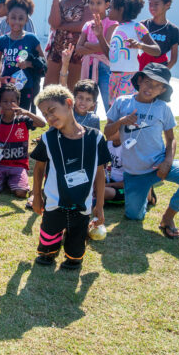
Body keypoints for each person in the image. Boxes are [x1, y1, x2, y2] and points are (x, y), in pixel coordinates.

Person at [105, 63, 179, 239]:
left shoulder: (163, 108)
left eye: (158, 85)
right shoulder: (122, 102)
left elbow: (171, 139)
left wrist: (167, 162)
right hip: (134, 172)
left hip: (158, 164)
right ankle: (147, 190)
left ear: (163, 89)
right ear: (140, 80)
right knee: (134, 216)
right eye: (148, 82)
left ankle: (168, 219)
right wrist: (121, 122)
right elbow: (107, 133)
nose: (151, 88)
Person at [31, 85, 109, 270]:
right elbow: (38, 169)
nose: (49, 118)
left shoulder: (96, 138)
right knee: (48, 235)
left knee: (76, 241)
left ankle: (73, 256)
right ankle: (49, 251)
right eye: (45, 114)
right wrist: (36, 196)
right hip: (54, 201)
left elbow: (100, 173)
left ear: (68, 103)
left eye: (52, 111)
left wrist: (99, 206)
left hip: (82, 203)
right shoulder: (48, 139)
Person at [0, 84, 45, 199]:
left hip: (18, 166)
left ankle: (11, 181)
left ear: (18, 103)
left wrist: (27, 113)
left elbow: (42, 124)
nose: (9, 104)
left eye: (12, 101)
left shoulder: (23, 120)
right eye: (5, 101)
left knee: (21, 193)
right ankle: (3, 180)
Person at [96, 0, 161, 107]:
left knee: (126, 113)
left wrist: (140, 46)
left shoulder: (137, 26)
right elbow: (111, 58)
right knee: (113, 114)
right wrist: (100, 36)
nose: (108, 10)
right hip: (114, 77)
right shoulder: (117, 28)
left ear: (120, 9)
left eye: (111, 7)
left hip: (128, 78)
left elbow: (156, 50)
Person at [0, 0, 45, 113]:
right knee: (6, 116)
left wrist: (28, 64)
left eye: (21, 18)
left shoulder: (32, 39)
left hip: (26, 86)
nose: (16, 22)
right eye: (13, 18)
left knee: (22, 116)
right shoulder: (1, 41)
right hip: (6, 87)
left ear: (26, 20)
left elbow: (43, 62)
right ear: (7, 19)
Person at [45, 0, 93, 88]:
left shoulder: (87, 0)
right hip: (57, 50)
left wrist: (61, 26)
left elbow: (84, 26)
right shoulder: (61, 1)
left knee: (72, 88)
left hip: (77, 51)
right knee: (49, 87)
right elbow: (53, 23)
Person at [75, 0, 116, 109]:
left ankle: (112, 127)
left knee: (109, 102)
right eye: (92, 3)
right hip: (88, 65)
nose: (94, 6)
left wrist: (87, 44)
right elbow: (78, 48)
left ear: (107, 5)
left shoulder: (112, 23)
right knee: (88, 103)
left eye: (99, 3)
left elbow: (105, 46)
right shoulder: (88, 25)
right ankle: (89, 126)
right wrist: (96, 47)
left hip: (105, 66)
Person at [139, 0, 179, 70]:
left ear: (167, 5)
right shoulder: (143, 25)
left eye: (156, 4)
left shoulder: (173, 30)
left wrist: (162, 72)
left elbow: (174, 58)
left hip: (159, 67)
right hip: (141, 65)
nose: (152, 7)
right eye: (150, 4)